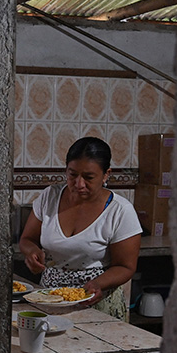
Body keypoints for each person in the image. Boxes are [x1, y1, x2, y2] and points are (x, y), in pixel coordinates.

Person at [18, 137, 142, 320]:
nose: (79, 184)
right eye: (72, 175)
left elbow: (125, 266)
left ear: (106, 174)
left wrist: (97, 285)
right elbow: (27, 239)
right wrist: (32, 252)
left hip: (95, 302)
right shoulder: (50, 197)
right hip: (49, 298)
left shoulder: (120, 211)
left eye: (88, 177)